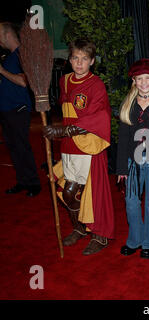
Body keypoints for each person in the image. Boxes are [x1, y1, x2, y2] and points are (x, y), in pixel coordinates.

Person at [43, 39, 115, 255]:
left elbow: (98, 118)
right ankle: (79, 228)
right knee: (69, 194)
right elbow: (67, 111)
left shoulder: (96, 85)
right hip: (68, 148)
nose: (79, 63)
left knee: (87, 192)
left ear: (92, 61)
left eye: (85, 59)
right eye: (75, 58)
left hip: (88, 146)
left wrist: (62, 131)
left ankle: (100, 235)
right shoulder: (64, 81)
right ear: (70, 59)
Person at [116, 58, 149, 259]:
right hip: (132, 161)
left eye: (148, 78)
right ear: (134, 81)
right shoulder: (128, 104)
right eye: (140, 78)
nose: (144, 82)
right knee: (131, 201)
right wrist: (121, 168)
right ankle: (134, 239)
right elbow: (122, 138)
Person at [0, 22, 41, 197]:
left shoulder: (21, 54)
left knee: (22, 147)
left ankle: (33, 183)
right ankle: (23, 181)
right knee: (14, 148)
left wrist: (1, 71)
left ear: (7, 35)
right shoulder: (9, 57)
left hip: (18, 109)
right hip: (7, 110)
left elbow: (24, 82)